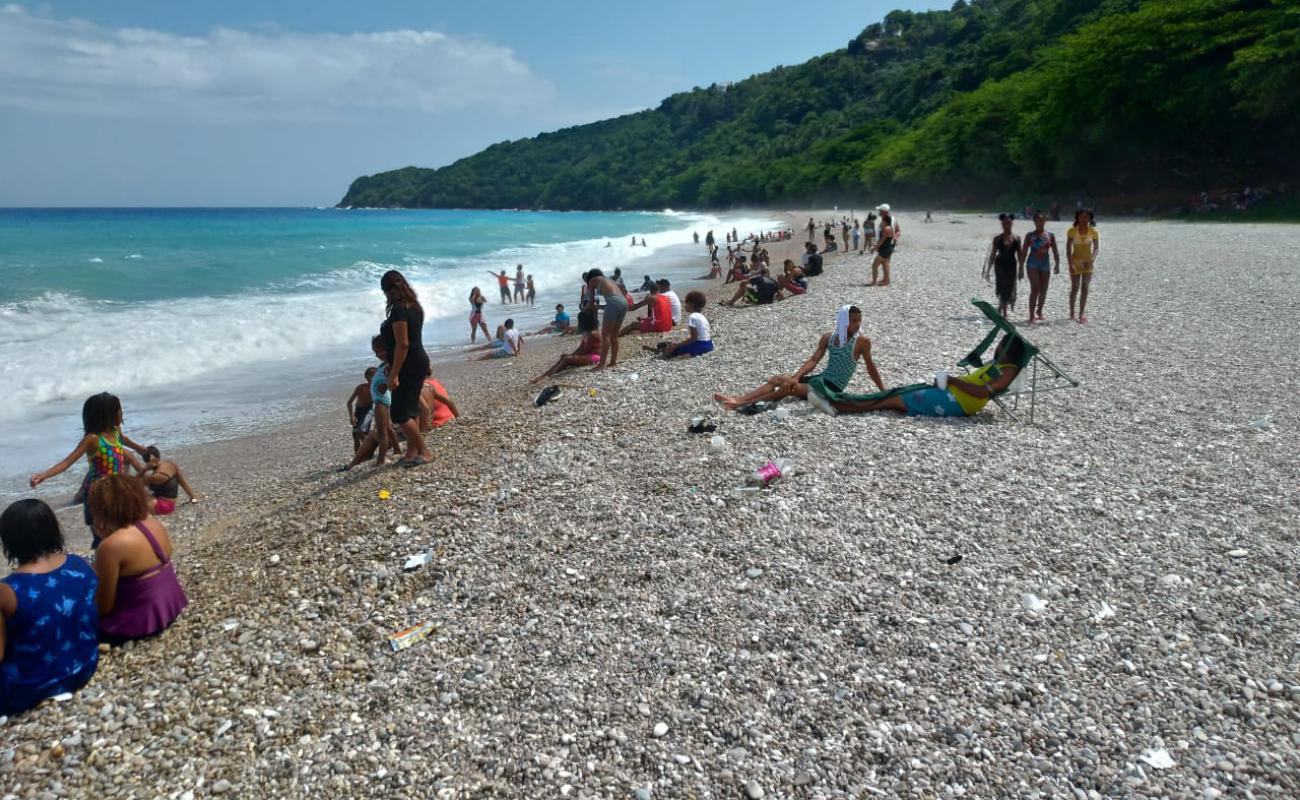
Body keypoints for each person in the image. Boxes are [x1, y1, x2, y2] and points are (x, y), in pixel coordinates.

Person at [0, 499, 99, 716]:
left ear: (10, 541)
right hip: (83, 666)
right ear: (53, 530)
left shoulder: (8, 590)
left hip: (32, 687)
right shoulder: (81, 564)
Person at [30, 392, 147, 547]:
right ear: (107, 414)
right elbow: (66, 462)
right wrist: (45, 475)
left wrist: (142, 450)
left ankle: (121, 554)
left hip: (117, 488)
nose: (121, 413)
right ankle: (103, 556)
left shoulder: (116, 433)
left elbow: (127, 442)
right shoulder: (92, 439)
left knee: (120, 523)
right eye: (119, 410)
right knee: (101, 530)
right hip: (97, 493)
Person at [713, 306, 883, 409]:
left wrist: (882, 390)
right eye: (853, 320)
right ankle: (738, 398)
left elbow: (871, 367)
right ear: (842, 320)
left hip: (832, 388)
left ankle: (739, 405)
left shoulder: (861, 341)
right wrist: (796, 376)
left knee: (788, 389)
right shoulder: (828, 337)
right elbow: (814, 360)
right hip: (820, 380)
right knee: (777, 379)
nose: (858, 324)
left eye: (859, 320)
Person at [88, 475, 187, 644]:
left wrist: (104, 541)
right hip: (170, 606)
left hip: (138, 622)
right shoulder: (152, 523)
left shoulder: (111, 546)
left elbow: (104, 607)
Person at [823, 336, 1025, 417]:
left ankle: (839, 407)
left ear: (1008, 348)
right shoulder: (1002, 365)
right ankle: (839, 402)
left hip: (960, 402)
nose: (997, 347)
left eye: (1000, 344)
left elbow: (982, 393)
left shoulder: (1009, 370)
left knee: (892, 400)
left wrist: (953, 380)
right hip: (953, 394)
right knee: (897, 393)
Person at [379, 270, 433, 467]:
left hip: (408, 364)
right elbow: (414, 340)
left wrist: (394, 374)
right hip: (417, 360)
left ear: (389, 290)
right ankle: (411, 452)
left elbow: (403, 344)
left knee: (400, 414)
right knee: (410, 409)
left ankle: (424, 451)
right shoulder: (415, 307)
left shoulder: (399, 311)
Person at [531, 308, 602, 383]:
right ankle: (544, 375)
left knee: (566, 359)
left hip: (595, 357)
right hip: (588, 355)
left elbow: (585, 351)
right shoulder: (587, 333)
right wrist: (570, 355)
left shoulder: (592, 334)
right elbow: (580, 348)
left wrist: (570, 357)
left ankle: (548, 376)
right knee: (564, 357)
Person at [1021, 212, 1060, 323]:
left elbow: (1055, 251)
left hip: (1045, 263)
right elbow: (1024, 252)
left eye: (1042, 220)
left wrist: (1057, 264)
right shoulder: (1030, 236)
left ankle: (1039, 311)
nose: (1040, 222)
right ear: (1034, 222)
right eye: (1037, 220)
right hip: (1032, 263)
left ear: (1045, 221)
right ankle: (1031, 316)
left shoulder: (1050, 235)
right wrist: (1020, 267)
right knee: (1035, 289)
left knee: (1044, 289)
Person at [586, 269, 627, 370]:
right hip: (623, 302)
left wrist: (584, 310)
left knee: (606, 336)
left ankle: (602, 364)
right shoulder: (609, 280)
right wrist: (600, 306)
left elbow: (591, 303)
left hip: (613, 303)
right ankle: (613, 362)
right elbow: (615, 296)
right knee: (614, 336)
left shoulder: (592, 281)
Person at [139, 447, 199, 514]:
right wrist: (193, 498)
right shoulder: (171, 465)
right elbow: (183, 483)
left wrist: (144, 469)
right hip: (171, 504)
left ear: (146, 462)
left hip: (162, 506)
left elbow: (133, 484)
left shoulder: (154, 477)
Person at [984, 213, 1022, 318]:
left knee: (1010, 286)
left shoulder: (1017, 238)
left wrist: (1021, 268)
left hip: (1011, 264)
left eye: (1009, 223)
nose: (1007, 225)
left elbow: (1020, 254)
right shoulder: (997, 238)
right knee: (1002, 286)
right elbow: (993, 254)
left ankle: (1001, 307)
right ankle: (1004, 312)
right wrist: (988, 269)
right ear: (1002, 224)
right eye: (1005, 223)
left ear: (1012, 224)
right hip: (1000, 264)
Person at [655, 291, 713, 358]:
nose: (684, 306)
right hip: (709, 344)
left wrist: (677, 346)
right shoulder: (702, 316)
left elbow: (694, 338)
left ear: (691, 304)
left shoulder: (692, 317)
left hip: (700, 345)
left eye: (686, 304)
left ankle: (686, 354)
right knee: (678, 346)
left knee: (673, 350)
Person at [1066, 209, 1099, 323]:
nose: (1084, 219)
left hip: (1088, 263)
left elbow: (1096, 248)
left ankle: (1081, 314)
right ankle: (1071, 313)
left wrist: (1092, 260)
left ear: (1090, 219)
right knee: (1075, 288)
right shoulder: (1072, 231)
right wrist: (1070, 264)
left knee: (1085, 288)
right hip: (1075, 262)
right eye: (1081, 217)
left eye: (1086, 217)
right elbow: (1068, 249)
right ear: (1077, 218)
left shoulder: (1093, 232)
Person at [346, 369, 373, 452]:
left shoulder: (377, 387)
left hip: (369, 410)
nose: (374, 377)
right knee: (355, 435)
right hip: (358, 411)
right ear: (366, 377)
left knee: (361, 431)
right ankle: (357, 456)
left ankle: (369, 452)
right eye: (371, 375)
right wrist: (351, 416)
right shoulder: (361, 387)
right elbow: (349, 402)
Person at [869, 211, 896, 286]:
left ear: (885, 221)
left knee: (874, 265)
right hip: (888, 248)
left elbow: (883, 239)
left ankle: (874, 281)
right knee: (885, 264)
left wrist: (875, 247)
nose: (881, 222)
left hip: (884, 249)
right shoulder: (891, 228)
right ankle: (886, 280)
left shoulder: (886, 228)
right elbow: (892, 238)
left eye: (882, 220)